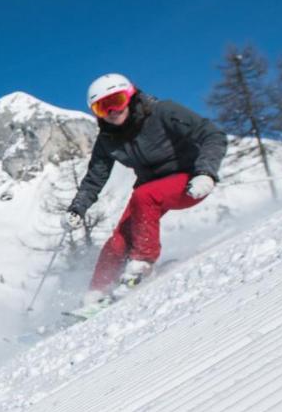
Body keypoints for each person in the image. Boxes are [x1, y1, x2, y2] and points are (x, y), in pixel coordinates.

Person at [65, 73, 228, 310]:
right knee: (118, 241)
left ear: (130, 97)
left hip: (190, 180)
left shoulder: (163, 111)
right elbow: (94, 178)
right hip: (151, 191)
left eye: (117, 100)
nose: (112, 111)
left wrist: (206, 173)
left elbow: (212, 135)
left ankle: (143, 263)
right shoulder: (107, 139)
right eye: (102, 107)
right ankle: (95, 294)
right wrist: (77, 208)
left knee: (144, 195)